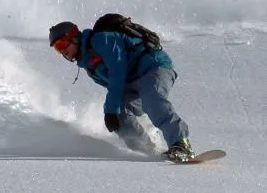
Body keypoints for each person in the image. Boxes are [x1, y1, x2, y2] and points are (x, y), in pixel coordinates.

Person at [48, 20, 194, 162]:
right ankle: (149, 151)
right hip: (132, 83)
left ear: (74, 38)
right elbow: (115, 88)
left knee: (151, 98)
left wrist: (110, 109)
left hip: (153, 67)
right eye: (57, 49)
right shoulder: (89, 66)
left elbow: (117, 72)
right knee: (119, 116)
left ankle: (181, 144)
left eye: (62, 44)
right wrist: (114, 112)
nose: (62, 52)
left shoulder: (101, 40)